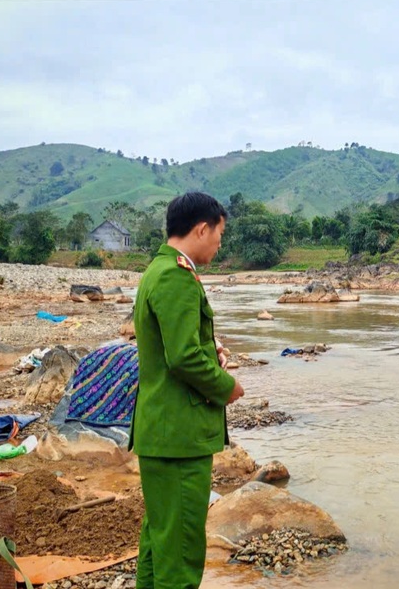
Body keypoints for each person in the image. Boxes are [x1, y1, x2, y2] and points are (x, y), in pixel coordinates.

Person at [131, 191, 244, 589]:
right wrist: (226, 386)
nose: (219, 243)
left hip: (163, 433)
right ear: (201, 228)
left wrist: (208, 347)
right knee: (180, 552)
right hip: (179, 437)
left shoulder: (159, 270)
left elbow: (174, 345)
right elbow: (181, 358)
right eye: (219, 234)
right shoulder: (176, 276)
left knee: (159, 541)